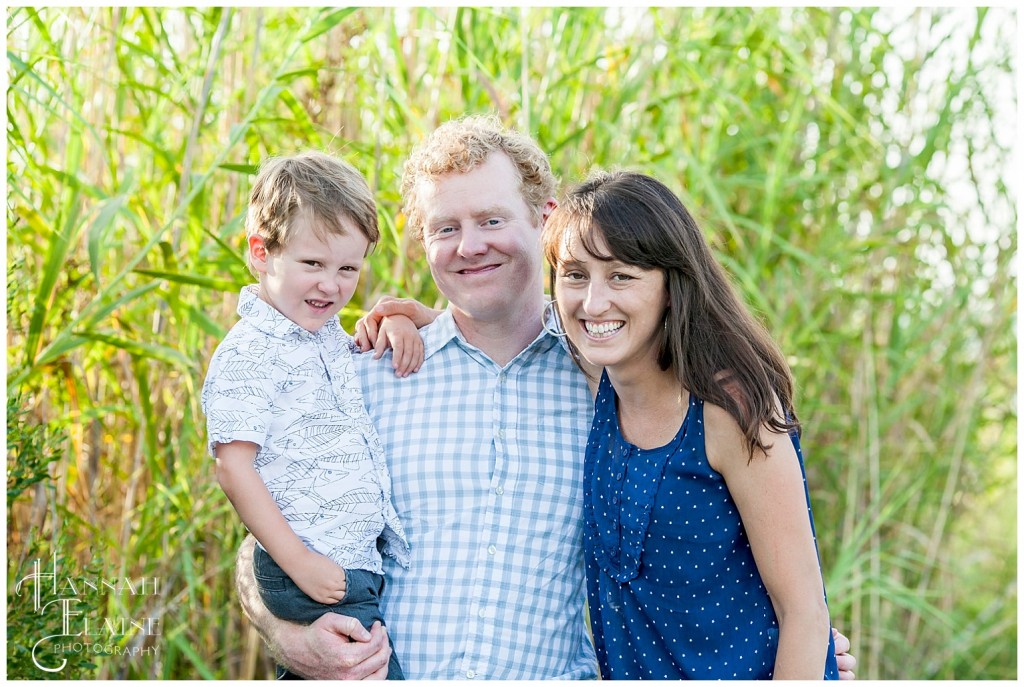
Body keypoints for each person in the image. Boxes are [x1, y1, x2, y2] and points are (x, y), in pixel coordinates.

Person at [234, 116, 858, 679]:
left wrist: (795, 646)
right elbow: (268, 536)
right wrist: (289, 634)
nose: (470, 245)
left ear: (546, 219)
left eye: (492, 220)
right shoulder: (367, 374)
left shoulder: (613, 383)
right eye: (445, 227)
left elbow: (719, 553)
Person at [541, 169, 840, 679]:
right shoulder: (600, 378)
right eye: (574, 274)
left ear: (672, 288)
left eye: (621, 276)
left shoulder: (728, 407)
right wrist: (416, 318)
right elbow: (502, 321)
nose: (592, 302)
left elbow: (805, 614)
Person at [202, 152, 423, 680]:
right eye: (312, 265)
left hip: (346, 561)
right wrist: (301, 563)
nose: (331, 285)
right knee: (360, 670)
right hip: (309, 564)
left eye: (348, 268)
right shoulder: (251, 350)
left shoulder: (321, 337)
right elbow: (233, 468)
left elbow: (361, 360)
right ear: (261, 253)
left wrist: (396, 325)